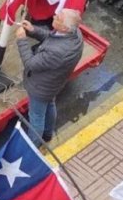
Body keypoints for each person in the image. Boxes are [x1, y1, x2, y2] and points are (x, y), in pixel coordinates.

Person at [15, 10, 84, 144]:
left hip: (41, 88)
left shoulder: (57, 52)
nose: (53, 16)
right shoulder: (74, 33)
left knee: (36, 117)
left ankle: (32, 146)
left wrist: (22, 40)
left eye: (57, 18)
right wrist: (33, 30)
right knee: (49, 104)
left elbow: (30, 64)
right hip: (53, 84)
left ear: (64, 27)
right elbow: (53, 38)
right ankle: (48, 134)